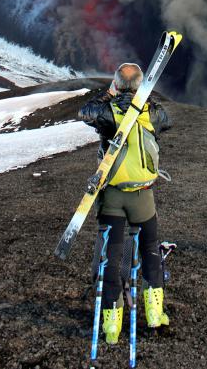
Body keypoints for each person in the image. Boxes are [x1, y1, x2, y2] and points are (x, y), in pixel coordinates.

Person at [78, 62, 171, 344]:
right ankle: (155, 315)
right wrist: (144, 97)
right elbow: (166, 120)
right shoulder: (151, 112)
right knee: (151, 251)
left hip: (113, 197)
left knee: (111, 259)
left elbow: (85, 112)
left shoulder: (107, 113)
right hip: (143, 196)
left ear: (117, 84)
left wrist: (109, 94)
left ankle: (111, 326)